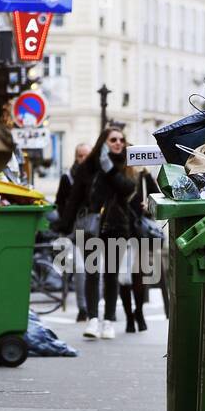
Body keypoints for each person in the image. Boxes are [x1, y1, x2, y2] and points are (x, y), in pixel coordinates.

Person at [58, 124, 136, 340]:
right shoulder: (87, 168)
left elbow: (128, 189)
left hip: (117, 227)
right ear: (103, 143)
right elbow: (74, 199)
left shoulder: (125, 165)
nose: (118, 143)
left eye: (121, 139)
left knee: (111, 276)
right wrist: (65, 227)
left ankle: (108, 321)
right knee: (92, 274)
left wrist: (108, 167)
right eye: (113, 140)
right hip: (90, 227)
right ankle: (93, 319)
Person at [119, 168, 160, 332]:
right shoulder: (117, 176)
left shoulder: (144, 176)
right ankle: (129, 317)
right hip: (120, 231)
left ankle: (140, 313)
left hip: (139, 232)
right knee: (123, 279)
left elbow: (158, 198)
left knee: (139, 276)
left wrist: (148, 204)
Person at [55, 142, 92, 321]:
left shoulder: (98, 177)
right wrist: (66, 223)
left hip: (92, 230)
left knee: (94, 270)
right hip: (72, 232)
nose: (83, 159)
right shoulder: (68, 178)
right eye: (80, 156)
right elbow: (60, 203)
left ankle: (93, 308)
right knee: (79, 269)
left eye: (87, 155)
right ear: (76, 157)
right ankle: (83, 308)